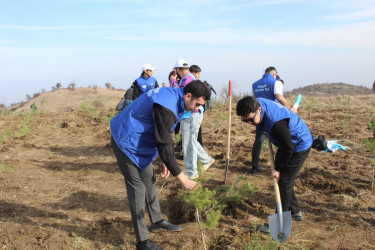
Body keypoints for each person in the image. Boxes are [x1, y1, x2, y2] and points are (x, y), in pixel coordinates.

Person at [110, 80, 211, 250]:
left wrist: (165, 159)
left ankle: (157, 221)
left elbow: (164, 132)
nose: (196, 109)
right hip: (125, 140)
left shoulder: (176, 97)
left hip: (139, 140)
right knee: (138, 189)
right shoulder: (168, 106)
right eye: (197, 104)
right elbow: (163, 143)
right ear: (188, 96)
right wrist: (183, 178)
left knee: (149, 180)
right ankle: (142, 242)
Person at [236, 96, 312, 222]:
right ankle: (295, 211)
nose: (249, 123)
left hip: (299, 144)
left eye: (250, 120)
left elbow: (289, 148)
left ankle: (281, 218)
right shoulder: (257, 103)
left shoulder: (275, 123)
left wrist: (277, 168)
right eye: (245, 121)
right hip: (285, 143)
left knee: (285, 180)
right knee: (284, 179)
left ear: (259, 109)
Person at [171, 59, 214, 179]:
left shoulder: (187, 79)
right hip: (192, 114)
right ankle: (206, 160)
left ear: (177, 70)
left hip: (190, 114)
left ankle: (191, 172)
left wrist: (173, 81)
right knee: (191, 140)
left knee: (188, 143)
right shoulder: (189, 78)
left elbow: (179, 93)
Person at [249, 66, 297, 174]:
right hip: (275, 117)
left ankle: (254, 167)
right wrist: (290, 109)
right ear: (274, 74)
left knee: (258, 141)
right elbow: (279, 97)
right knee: (282, 141)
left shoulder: (255, 84)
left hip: (260, 116)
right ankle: (282, 166)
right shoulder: (276, 82)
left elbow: (253, 101)